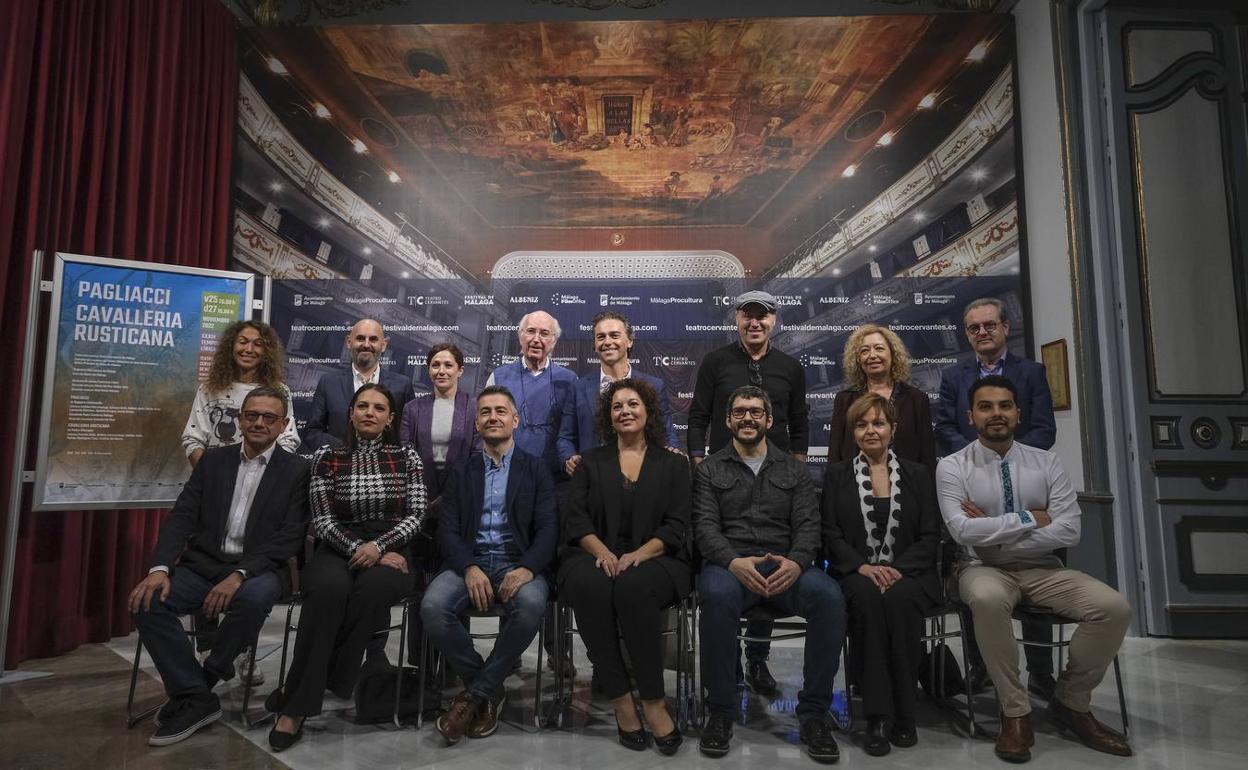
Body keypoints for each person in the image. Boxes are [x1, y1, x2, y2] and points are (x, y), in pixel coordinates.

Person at [937, 375, 1132, 763]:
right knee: (988, 599)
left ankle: (1071, 702)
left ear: (1018, 412)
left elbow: (1070, 529)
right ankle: (1015, 712)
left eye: (1004, 405)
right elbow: (961, 530)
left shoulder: (1047, 462)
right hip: (980, 567)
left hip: (1044, 569)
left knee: (1114, 609)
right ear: (970, 416)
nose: (996, 414)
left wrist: (994, 528)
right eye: (986, 407)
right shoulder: (952, 466)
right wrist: (1031, 517)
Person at [129, 386, 309, 747]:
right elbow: (181, 517)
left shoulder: (298, 470)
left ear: (284, 424)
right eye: (252, 415)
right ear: (240, 419)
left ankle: (201, 685)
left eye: (269, 417)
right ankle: (196, 696)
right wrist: (160, 568)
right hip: (202, 565)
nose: (259, 423)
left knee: (253, 599)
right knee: (148, 601)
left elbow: (289, 538)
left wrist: (239, 575)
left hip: (259, 569)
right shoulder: (213, 461)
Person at [267, 383, 427, 751]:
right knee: (327, 590)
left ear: (389, 419)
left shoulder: (407, 456)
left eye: (379, 408)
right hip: (339, 545)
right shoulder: (327, 456)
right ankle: (299, 707)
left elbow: (416, 515)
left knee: (374, 590)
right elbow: (322, 520)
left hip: (392, 547)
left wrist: (380, 546)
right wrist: (360, 548)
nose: (370, 412)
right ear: (352, 413)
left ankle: (302, 689)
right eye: (363, 406)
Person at [694, 386, 846, 763]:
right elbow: (705, 528)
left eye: (756, 412)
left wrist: (796, 562)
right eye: (740, 412)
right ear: (728, 420)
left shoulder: (793, 469)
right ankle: (721, 711)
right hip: (730, 568)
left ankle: (813, 715)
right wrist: (732, 561)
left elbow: (810, 526)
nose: (748, 418)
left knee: (829, 597)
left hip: (786, 569)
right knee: (714, 595)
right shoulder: (710, 469)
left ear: (769, 420)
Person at [559, 379, 692, 755]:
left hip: (658, 557)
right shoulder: (590, 461)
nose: (625, 411)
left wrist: (638, 555)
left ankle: (652, 700)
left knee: (632, 587)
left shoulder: (674, 464)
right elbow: (576, 519)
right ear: (608, 416)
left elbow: (678, 524)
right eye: (617, 407)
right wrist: (602, 552)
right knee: (590, 586)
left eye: (633, 404)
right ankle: (620, 700)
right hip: (592, 554)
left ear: (648, 411)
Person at [934, 298, 1058, 699]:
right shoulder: (954, 377)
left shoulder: (1032, 372)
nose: (982, 333)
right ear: (967, 334)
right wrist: (981, 463)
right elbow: (948, 429)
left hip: (1027, 488)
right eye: (974, 328)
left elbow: (1043, 430)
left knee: (1034, 569)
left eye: (989, 325)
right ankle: (981, 668)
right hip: (973, 492)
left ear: (1005, 327)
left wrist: (1006, 458)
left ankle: (1040, 672)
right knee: (975, 582)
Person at [688, 290, 809, 694]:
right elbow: (699, 414)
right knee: (734, 563)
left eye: (763, 316)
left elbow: (800, 419)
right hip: (724, 476)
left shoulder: (790, 367)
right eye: (747, 316)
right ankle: (729, 672)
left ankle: (757, 661)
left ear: (774, 321)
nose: (755, 323)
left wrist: (797, 465)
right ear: (737, 320)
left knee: (769, 554)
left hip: (775, 474)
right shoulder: (715, 361)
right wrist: (697, 459)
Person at [420, 385, 557, 744]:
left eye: (500, 411)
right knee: (433, 607)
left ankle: (474, 694)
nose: (492, 417)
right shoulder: (462, 470)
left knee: (530, 605)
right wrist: (468, 567)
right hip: (471, 561)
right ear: (477, 422)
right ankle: (487, 689)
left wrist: (527, 568)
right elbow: (447, 529)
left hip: (519, 562)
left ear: (515, 419)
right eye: (485, 412)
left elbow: (548, 529)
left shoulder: (536, 469)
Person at [821, 393, 940, 756]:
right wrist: (862, 566)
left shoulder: (919, 474)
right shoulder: (837, 474)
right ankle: (876, 715)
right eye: (861, 424)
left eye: (878, 423)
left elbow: (930, 535)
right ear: (852, 431)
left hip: (910, 574)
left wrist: (896, 569)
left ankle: (905, 711)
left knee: (901, 603)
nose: (870, 430)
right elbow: (830, 533)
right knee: (869, 602)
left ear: (893, 428)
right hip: (857, 572)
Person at [558, 311, 677, 478]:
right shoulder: (577, 388)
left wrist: (671, 454)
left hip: (643, 478)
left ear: (629, 341)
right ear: (594, 344)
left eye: (614, 335)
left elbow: (667, 433)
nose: (607, 342)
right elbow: (565, 437)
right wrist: (568, 458)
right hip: (593, 481)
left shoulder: (654, 386)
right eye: (600, 337)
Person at [182, 320, 300, 465]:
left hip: (263, 480)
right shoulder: (209, 389)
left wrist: (267, 477)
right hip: (215, 478)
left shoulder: (279, 391)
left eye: (258, 344)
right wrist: (209, 479)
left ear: (267, 352)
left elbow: (288, 440)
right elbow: (193, 439)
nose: (249, 349)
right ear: (231, 346)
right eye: (242, 342)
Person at [827, 324, 936, 472]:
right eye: (864, 351)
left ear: (893, 354)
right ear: (858, 359)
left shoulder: (916, 399)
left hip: (907, 486)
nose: (872, 356)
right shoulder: (844, 400)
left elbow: (927, 454)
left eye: (879, 348)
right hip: (853, 485)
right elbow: (835, 453)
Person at [302, 318, 416, 452]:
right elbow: (312, 432)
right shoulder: (328, 382)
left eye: (373, 339)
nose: (366, 345)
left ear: (383, 345)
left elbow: (411, 433)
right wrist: (344, 449)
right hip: (339, 466)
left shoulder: (403, 385)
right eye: (360, 338)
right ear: (349, 342)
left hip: (387, 468)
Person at [486, 310, 577, 479]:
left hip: (555, 479)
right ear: (520, 336)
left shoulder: (570, 380)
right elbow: (485, 429)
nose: (536, 339)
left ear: (554, 341)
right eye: (530, 331)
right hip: (507, 476)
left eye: (544, 333)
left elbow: (573, 432)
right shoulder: (498, 377)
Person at [399, 343, 482, 500]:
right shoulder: (411, 409)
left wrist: (449, 496)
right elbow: (406, 456)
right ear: (429, 370)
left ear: (460, 371)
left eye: (448, 365)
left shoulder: (475, 407)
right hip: (420, 498)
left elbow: (478, 457)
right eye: (435, 365)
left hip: (461, 497)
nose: (441, 371)